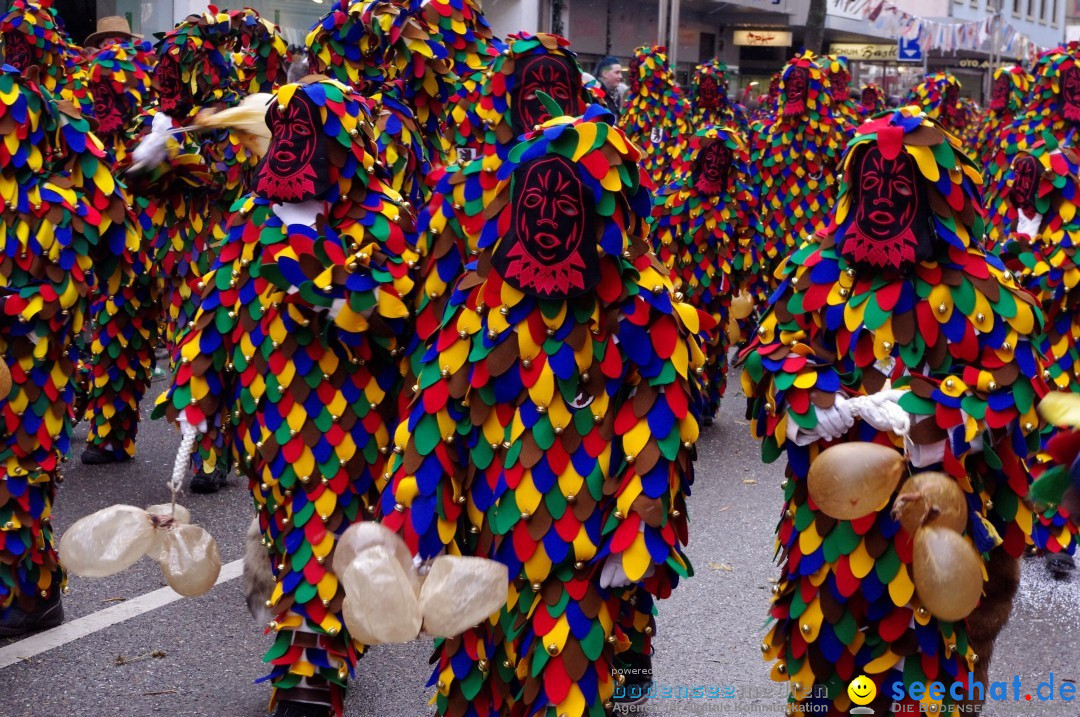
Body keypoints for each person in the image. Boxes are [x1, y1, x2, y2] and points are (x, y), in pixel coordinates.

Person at [381, 105, 708, 717]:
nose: (550, 222)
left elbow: (658, 432)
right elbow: (434, 419)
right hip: (479, 555)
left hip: (578, 563)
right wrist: (417, 524)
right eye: (536, 203)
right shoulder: (479, 306)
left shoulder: (641, 311)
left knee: (566, 695)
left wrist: (636, 531)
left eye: (568, 206)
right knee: (473, 695)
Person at [741, 105, 1046, 714]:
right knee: (829, 671)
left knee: (923, 678)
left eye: (899, 186)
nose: (880, 200)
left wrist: (933, 415)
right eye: (869, 186)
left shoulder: (981, 289)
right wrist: (811, 397)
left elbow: (1015, 388)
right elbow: (769, 347)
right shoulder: (816, 271)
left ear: (931, 196)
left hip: (933, 528)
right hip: (828, 536)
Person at [156, 77, 417, 717]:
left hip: (345, 423)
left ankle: (310, 677)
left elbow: (391, 312)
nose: (293, 152)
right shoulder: (253, 214)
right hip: (265, 422)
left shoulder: (381, 217)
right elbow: (215, 307)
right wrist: (196, 392)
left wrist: (314, 263)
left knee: (318, 532)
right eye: (287, 134)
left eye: (309, 137)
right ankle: (323, 646)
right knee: (285, 533)